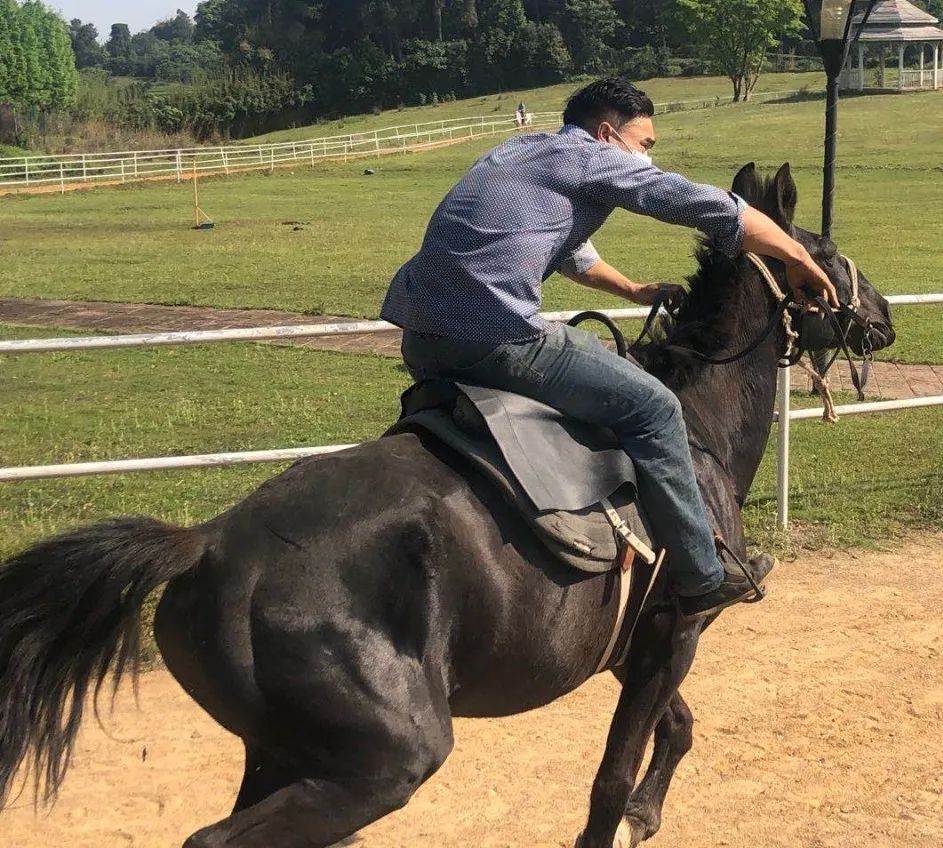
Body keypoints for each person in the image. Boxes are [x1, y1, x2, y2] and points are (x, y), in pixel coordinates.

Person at [380, 77, 837, 619]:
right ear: (606, 134)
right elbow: (697, 204)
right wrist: (797, 257)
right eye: (644, 145)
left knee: (587, 358)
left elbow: (569, 249)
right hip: (494, 336)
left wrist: (634, 290)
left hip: (423, 340)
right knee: (655, 406)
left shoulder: (521, 152)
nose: (647, 157)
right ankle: (702, 575)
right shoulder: (589, 157)